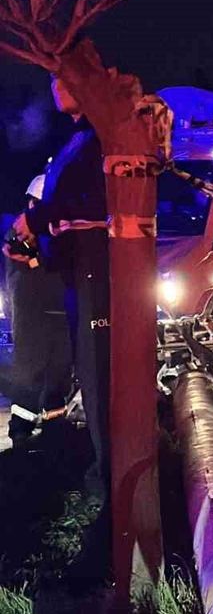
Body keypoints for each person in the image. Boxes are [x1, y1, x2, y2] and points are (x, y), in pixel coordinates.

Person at [11, 75, 110, 497]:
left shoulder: (94, 139)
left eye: (65, 78)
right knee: (85, 374)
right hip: (75, 270)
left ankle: (110, 479)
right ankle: (100, 468)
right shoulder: (78, 139)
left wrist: (33, 221)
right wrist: (38, 252)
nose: (55, 85)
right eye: (51, 79)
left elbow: (83, 203)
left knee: (96, 374)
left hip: (90, 270)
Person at [2, 175, 74, 446]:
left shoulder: (56, 232)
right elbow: (27, 259)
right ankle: (21, 430)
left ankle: (55, 427)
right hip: (32, 313)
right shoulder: (19, 232)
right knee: (29, 372)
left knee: (59, 371)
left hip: (58, 310)